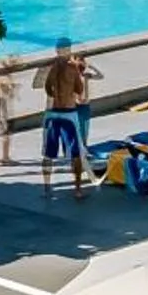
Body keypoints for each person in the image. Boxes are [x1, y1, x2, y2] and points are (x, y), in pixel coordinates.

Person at [38, 38, 100, 197]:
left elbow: (47, 88)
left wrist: (56, 94)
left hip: (52, 113)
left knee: (48, 153)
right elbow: (79, 90)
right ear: (68, 50)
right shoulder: (72, 68)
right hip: (68, 113)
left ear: (57, 50)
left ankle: (46, 187)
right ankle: (78, 189)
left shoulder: (51, 68)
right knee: (76, 153)